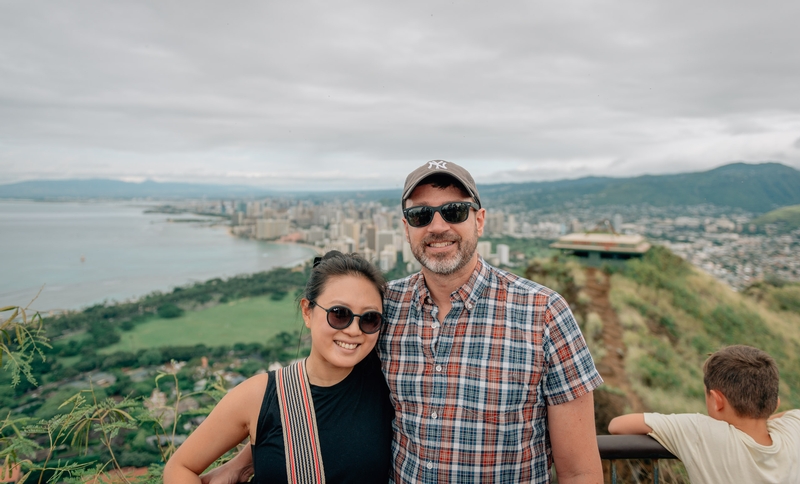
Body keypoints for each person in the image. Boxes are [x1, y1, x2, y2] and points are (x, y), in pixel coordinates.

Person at [203, 159, 604, 483]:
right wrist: (252, 456)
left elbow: (580, 471)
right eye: (420, 215)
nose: (438, 226)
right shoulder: (383, 309)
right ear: (406, 229)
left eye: (454, 211)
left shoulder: (543, 313)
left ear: (479, 220)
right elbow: (328, 388)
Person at [164, 251, 394, 484]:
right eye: (339, 314)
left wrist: (243, 463)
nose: (354, 330)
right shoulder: (260, 395)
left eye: (369, 319)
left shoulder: (389, 382)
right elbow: (180, 468)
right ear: (307, 311)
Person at [608, 344, 800, 483]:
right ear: (775, 404)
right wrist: (765, 419)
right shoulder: (793, 431)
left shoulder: (701, 432)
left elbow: (617, 425)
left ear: (717, 401)